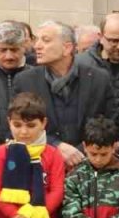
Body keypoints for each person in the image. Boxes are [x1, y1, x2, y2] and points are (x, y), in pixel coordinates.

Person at [13, 22, 111, 165]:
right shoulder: (25, 81)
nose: (37, 46)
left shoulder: (98, 79)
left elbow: (108, 123)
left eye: (46, 40)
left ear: (67, 48)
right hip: (41, 163)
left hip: (89, 163)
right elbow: (18, 125)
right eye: (37, 39)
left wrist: (81, 151)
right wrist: (55, 145)